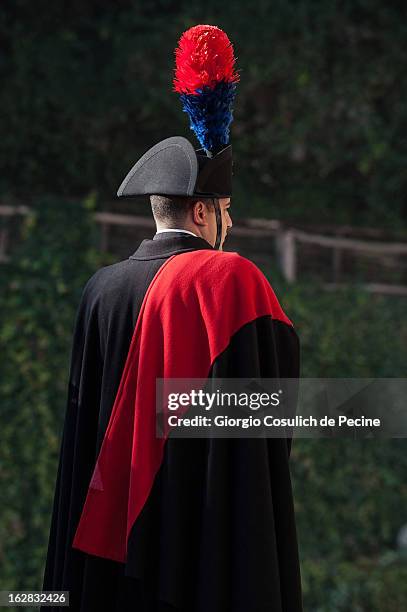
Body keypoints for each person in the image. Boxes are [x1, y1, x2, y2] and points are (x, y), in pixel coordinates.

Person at [41, 25, 303, 612]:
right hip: (194, 537)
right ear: (205, 210)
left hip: (106, 546)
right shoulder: (229, 279)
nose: (230, 227)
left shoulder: (99, 290)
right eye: (227, 212)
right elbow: (274, 399)